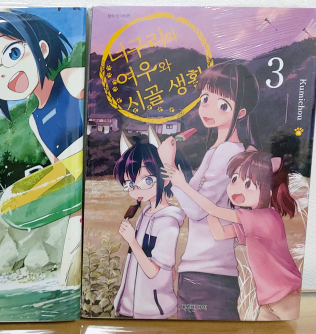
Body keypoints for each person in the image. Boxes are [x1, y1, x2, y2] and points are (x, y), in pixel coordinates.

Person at [0, 10, 85, 285]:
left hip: (97, 185)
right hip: (77, 207)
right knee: (69, 279)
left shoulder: (72, 80)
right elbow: (58, 172)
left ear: (42, 48)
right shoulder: (35, 121)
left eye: (13, 54)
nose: (5, 75)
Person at [164, 62, 260, 320]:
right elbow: (190, 199)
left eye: (223, 105)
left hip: (211, 273)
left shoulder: (228, 152)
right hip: (198, 269)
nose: (207, 108)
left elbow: (196, 210)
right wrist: (173, 173)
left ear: (240, 113)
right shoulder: (216, 151)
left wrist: (170, 168)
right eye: (205, 98)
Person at [164, 150, 302, 320]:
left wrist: (183, 185)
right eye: (235, 179)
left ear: (270, 191)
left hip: (286, 295)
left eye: (248, 184)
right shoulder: (252, 221)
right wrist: (210, 204)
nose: (236, 187)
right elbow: (220, 233)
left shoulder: (266, 217)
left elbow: (213, 209)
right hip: (267, 300)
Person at [113, 139, 184, 319]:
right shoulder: (145, 213)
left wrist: (132, 241)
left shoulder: (168, 222)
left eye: (147, 180)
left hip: (153, 311)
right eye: (130, 184)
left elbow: (153, 272)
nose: (136, 189)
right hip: (129, 307)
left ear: (164, 179)